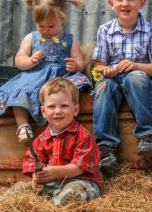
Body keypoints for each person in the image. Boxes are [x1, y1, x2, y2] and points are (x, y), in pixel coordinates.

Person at [0, 0, 91, 142]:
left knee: (69, 90)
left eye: (51, 26)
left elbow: (80, 62)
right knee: (19, 91)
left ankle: (61, 126)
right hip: (35, 76)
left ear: (62, 19)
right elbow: (19, 60)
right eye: (41, 26)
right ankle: (23, 126)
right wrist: (30, 61)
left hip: (60, 77)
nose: (46, 31)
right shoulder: (31, 38)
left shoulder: (70, 40)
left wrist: (75, 65)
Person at [92, 0, 152, 172]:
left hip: (138, 80)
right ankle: (106, 148)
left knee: (136, 78)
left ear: (142, 2)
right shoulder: (105, 31)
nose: (125, 4)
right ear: (111, 3)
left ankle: (147, 136)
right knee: (103, 87)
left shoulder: (150, 31)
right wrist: (105, 70)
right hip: (113, 78)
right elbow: (97, 66)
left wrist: (136, 65)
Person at [22, 77, 101, 205]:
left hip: (80, 180)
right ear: (43, 111)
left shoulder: (82, 136)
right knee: (21, 189)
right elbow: (32, 159)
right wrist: (35, 176)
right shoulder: (41, 139)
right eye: (51, 107)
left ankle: (65, 199)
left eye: (64, 106)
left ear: (75, 110)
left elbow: (80, 167)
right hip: (52, 183)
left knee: (76, 189)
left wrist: (55, 171)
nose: (57, 111)